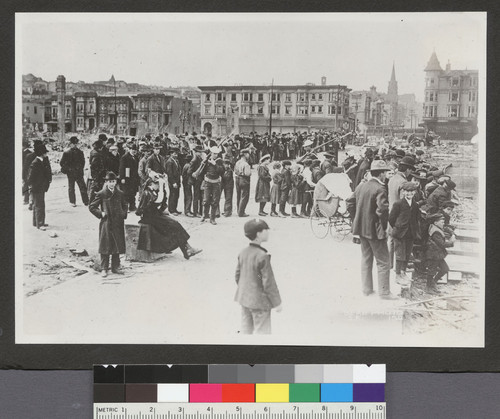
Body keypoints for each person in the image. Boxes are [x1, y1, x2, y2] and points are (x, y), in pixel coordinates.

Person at [352, 160, 397, 300]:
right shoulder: (380, 188)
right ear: (382, 173)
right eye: (386, 172)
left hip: (362, 229)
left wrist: (357, 220)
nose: (386, 176)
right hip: (375, 232)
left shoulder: (362, 186)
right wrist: (383, 226)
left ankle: (366, 289)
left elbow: (351, 202)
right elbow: (383, 210)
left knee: (366, 259)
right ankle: (384, 292)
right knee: (383, 262)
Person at [234, 219, 282, 334]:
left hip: (245, 299)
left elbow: (237, 276)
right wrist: (277, 303)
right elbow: (268, 283)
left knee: (246, 331)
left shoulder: (243, 252)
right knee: (263, 335)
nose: (268, 232)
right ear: (258, 234)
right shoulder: (262, 256)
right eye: (265, 230)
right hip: (260, 303)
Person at [135, 178, 202, 259]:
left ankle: (187, 249)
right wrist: (161, 191)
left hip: (155, 216)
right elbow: (155, 202)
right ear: (151, 184)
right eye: (156, 184)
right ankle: (187, 249)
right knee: (174, 225)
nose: (158, 186)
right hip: (148, 218)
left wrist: (162, 190)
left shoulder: (153, 192)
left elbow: (161, 204)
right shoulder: (147, 193)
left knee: (174, 224)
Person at [89, 172, 128, 278]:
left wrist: (123, 214)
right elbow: (92, 207)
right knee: (105, 246)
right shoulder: (102, 193)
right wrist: (101, 214)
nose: (111, 184)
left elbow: (125, 205)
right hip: (106, 223)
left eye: (113, 181)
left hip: (118, 223)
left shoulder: (119, 193)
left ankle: (115, 267)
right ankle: (104, 268)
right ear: (106, 182)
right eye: (109, 182)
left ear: (116, 182)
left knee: (117, 245)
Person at [388, 181, 420, 285]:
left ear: (414, 192)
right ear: (403, 192)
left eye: (411, 192)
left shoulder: (415, 205)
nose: (409, 194)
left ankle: (403, 273)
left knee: (406, 254)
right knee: (400, 255)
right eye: (407, 192)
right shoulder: (398, 204)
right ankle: (397, 275)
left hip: (410, 233)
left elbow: (416, 218)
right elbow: (391, 219)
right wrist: (398, 227)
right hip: (400, 234)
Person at [424, 213, 455, 294]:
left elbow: (446, 228)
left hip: (437, 255)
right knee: (431, 271)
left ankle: (433, 283)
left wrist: (452, 232)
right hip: (433, 255)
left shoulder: (437, 227)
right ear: (436, 222)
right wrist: (451, 242)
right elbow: (442, 244)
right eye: (441, 222)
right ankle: (428, 288)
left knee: (445, 269)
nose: (443, 223)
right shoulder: (435, 232)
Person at [27, 143, 52, 230]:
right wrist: (33, 186)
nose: (46, 154)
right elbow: (30, 178)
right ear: (42, 153)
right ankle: (40, 224)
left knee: (36, 205)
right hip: (37, 188)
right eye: (45, 152)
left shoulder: (39, 161)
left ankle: (36, 222)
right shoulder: (36, 163)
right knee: (39, 205)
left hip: (38, 187)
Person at [59, 136, 89, 207]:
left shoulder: (80, 152)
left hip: (78, 173)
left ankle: (86, 201)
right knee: (71, 188)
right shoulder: (66, 153)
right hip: (71, 173)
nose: (75, 145)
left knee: (82, 187)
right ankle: (72, 202)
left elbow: (83, 162)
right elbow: (61, 163)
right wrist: (68, 169)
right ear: (70, 144)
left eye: (76, 143)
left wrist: (80, 168)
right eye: (73, 143)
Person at [201, 146, 225, 225]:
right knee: (206, 200)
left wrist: (215, 165)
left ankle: (212, 218)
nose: (215, 155)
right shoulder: (206, 161)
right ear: (211, 153)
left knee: (215, 201)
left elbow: (222, 171)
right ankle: (204, 215)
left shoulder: (220, 161)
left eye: (217, 154)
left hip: (216, 183)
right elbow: (202, 171)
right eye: (214, 154)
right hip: (208, 182)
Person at [119, 143, 140, 211]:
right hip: (127, 178)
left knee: (133, 192)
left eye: (135, 150)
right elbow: (121, 168)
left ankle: (132, 206)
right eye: (132, 149)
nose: (134, 151)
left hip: (134, 179)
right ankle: (125, 208)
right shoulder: (124, 157)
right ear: (129, 149)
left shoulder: (136, 158)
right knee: (126, 193)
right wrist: (122, 178)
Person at [234, 148, 252, 217]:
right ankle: (241, 212)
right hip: (244, 180)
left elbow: (235, 171)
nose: (248, 155)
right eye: (247, 154)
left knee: (238, 195)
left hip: (237, 178)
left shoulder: (237, 162)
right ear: (245, 155)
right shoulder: (246, 164)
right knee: (244, 196)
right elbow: (248, 173)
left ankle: (239, 210)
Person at [88, 139, 107, 204]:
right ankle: (92, 202)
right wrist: (98, 174)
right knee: (95, 188)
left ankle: (93, 202)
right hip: (97, 174)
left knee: (96, 188)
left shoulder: (93, 152)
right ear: (100, 147)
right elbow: (93, 166)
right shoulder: (97, 154)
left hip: (96, 174)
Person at [165, 146, 182, 215]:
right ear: (171, 154)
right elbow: (169, 173)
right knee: (173, 195)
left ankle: (175, 208)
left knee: (176, 195)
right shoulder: (169, 162)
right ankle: (171, 210)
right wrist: (173, 182)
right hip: (173, 181)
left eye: (176, 153)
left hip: (177, 180)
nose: (176, 155)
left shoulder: (176, 161)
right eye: (174, 153)